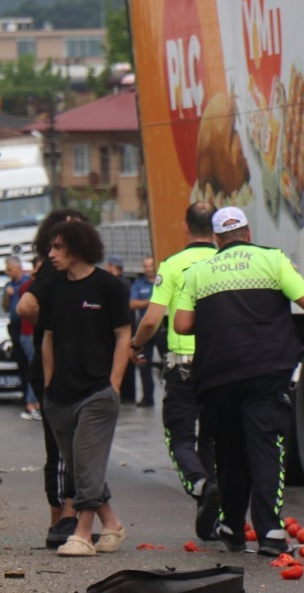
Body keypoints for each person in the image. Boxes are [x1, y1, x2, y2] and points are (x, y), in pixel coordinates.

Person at [173, 206, 304, 556]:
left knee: (229, 452)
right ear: (248, 233)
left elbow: (181, 325)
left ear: (217, 238)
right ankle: (270, 533)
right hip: (267, 372)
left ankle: (232, 527)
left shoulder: (198, 271)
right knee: (266, 447)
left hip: (218, 376)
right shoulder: (273, 261)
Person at [129, 202, 219, 540]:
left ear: (186, 227)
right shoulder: (224, 261)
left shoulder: (173, 264)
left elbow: (152, 319)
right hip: (220, 365)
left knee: (180, 437)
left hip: (184, 367)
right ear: (216, 226)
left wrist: (136, 346)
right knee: (211, 438)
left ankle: (199, 486)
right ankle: (213, 514)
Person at [41, 220, 130, 557]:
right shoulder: (52, 288)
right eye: (51, 247)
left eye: (58, 247)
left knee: (87, 462)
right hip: (60, 395)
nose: (51, 254)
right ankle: (111, 523)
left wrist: (114, 384)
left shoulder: (110, 287)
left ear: (78, 248)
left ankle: (82, 532)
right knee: (79, 466)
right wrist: (49, 386)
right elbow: (47, 338)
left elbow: (124, 335)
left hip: (97, 393)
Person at [16, 208, 90, 549]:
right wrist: (59, 321)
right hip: (53, 370)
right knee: (60, 447)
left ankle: (79, 518)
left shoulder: (92, 275)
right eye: (62, 235)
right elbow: (26, 307)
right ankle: (60, 518)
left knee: (81, 447)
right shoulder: (50, 272)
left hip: (86, 370)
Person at [4, 255, 40, 421]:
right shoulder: (26, 286)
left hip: (26, 330)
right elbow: (13, 308)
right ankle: (31, 403)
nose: (7, 272)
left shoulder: (26, 284)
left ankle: (34, 402)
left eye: (9, 269)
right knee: (33, 367)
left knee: (34, 367)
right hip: (25, 330)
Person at [127, 255, 163, 407]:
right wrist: (151, 302)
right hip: (145, 329)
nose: (148, 268)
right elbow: (132, 303)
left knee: (169, 361)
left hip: (161, 328)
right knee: (144, 364)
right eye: (146, 266)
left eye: (150, 265)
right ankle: (148, 397)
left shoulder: (162, 282)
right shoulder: (138, 285)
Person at [105, 255, 138, 404]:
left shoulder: (117, 284)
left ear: (113, 266)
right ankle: (128, 394)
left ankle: (125, 394)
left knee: (121, 359)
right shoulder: (126, 282)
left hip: (121, 326)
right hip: (129, 323)